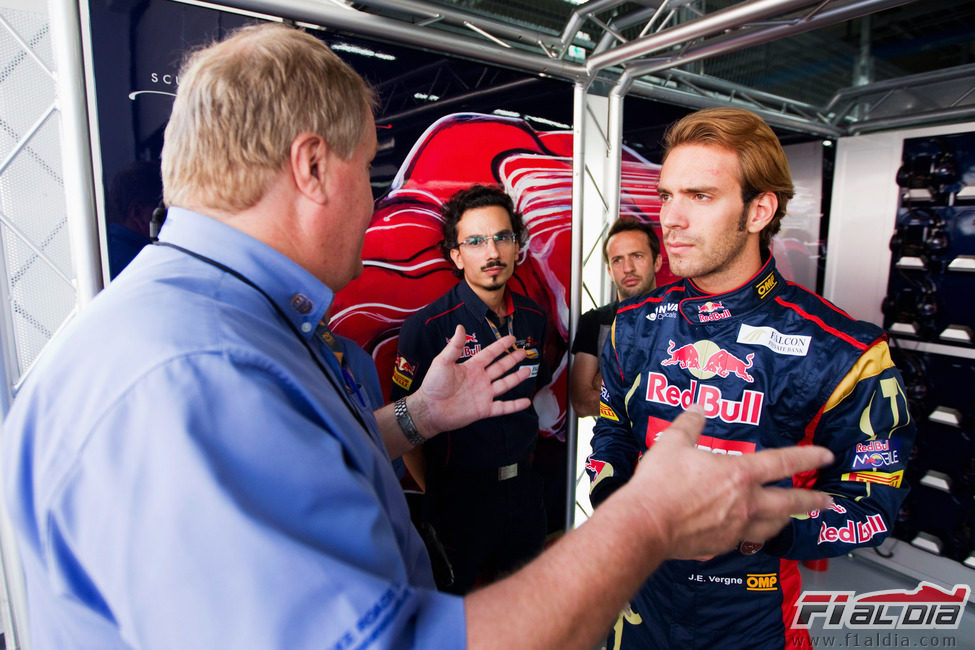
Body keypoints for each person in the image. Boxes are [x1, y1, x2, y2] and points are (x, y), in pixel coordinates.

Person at [1, 25, 837, 650]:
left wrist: (416, 419)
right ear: (310, 166)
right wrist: (649, 523)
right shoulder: (193, 372)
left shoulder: (200, 332)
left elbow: (283, 473)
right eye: (369, 170)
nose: (375, 204)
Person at [586, 107, 916, 649]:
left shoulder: (845, 351)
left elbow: (873, 504)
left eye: (700, 196)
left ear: (759, 209)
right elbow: (612, 432)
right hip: (638, 596)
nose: (670, 218)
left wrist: (752, 526)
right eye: (667, 195)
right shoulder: (633, 325)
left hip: (753, 613)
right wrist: (620, 503)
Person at [391, 184, 551, 594]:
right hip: (458, 501)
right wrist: (438, 491)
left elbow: (534, 390)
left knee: (525, 610)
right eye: (476, 242)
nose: (492, 253)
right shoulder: (428, 328)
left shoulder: (534, 317)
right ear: (457, 255)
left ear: (518, 246)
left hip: (525, 493)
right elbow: (403, 424)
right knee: (456, 617)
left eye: (502, 238)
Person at [570, 217, 662, 417]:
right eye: (617, 260)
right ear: (609, 271)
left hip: (666, 445)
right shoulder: (594, 321)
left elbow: (687, 397)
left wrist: (605, 382)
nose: (627, 268)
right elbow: (582, 403)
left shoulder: (679, 318)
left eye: (637, 256)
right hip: (613, 446)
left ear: (657, 261)